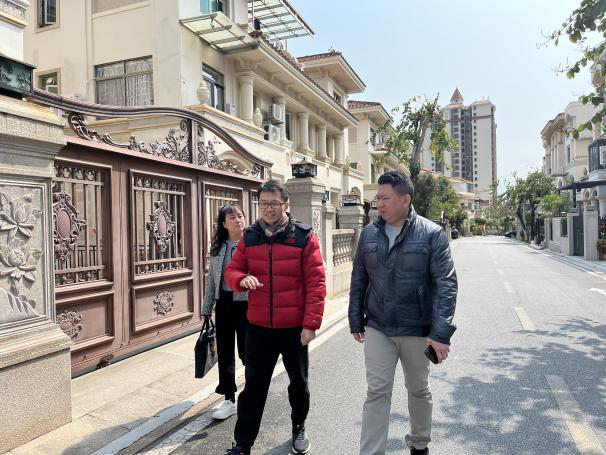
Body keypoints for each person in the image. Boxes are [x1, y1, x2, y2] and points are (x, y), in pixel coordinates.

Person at [349, 171, 458, 455]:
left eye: (385, 198)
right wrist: (355, 319)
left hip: (417, 328)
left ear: (405, 199)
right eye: (377, 199)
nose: (379, 204)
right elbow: (359, 278)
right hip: (378, 326)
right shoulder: (369, 233)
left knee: (418, 389)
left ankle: (419, 444)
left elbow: (446, 284)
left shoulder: (431, 234)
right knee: (377, 391)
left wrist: (440, 334)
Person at [223, 180, 326, 455]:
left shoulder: (303, 237)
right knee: (253, 388)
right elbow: (232, 270)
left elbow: (316, 283)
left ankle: (299, 427)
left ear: (285, 204)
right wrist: (241, 279)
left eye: (274, 203)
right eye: (264, 203)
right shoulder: (250, 237)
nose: (269, 209)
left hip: (294, 328)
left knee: (299, 384)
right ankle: (243, 444)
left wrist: (311, 324)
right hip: (258, 327)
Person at [201, 204, 248, 420]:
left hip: (247, 304)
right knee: (226, 352)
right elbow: (212, 280)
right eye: (232, 217)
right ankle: (229, 399)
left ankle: (252, 393)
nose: (238, 220)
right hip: (224, 304)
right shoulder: (217, 247)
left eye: (240, 216)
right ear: (223, 223)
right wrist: (206, 308)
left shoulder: (252, 243)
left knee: (247, 352)